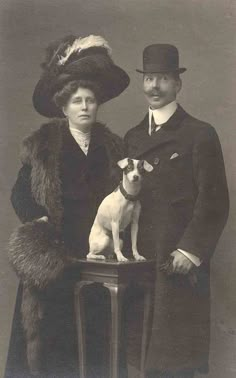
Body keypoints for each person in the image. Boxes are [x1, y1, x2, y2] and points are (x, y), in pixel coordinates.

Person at [5, 34, 129, 378]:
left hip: (97, 254)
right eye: (77, 101)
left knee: (97, 336)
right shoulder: (45, 145)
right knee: (54, 340)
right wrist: (39, 220)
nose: (85, 107)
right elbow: (19, 193)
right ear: (64, 107)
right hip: (59, 252)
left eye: (90, 100)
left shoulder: (112, 147)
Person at [124, 44, 229, 378]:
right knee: (142, 356)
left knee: (175, 361)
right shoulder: (133, 138)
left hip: (178, 263)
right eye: (149, 78)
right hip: (141, 262)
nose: (154, 86)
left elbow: (214, 201)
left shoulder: (199, 134)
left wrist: (190, 250)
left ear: (178, 84)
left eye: (164, 79)